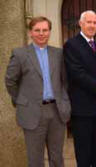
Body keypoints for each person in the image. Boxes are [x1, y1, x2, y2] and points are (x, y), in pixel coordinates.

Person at [5, 16, 71, 167]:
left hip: (56, 112)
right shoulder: (20, 54)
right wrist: (21, 100)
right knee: (35, 160)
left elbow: (65, 81)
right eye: (37, 30)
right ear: (30, 33)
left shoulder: (59, 54)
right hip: (33, 113)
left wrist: (64, 100)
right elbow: (10, 81)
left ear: (49, 32)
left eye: (45, 30)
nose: (41, 33)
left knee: (57, 158)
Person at [63, 10, 96, 167]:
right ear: (80, 23)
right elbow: (77, 74)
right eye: (89, 22)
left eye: (95, 23)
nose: (92, 25)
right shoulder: (71, 45)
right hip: (82, 108)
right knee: (83, 153)